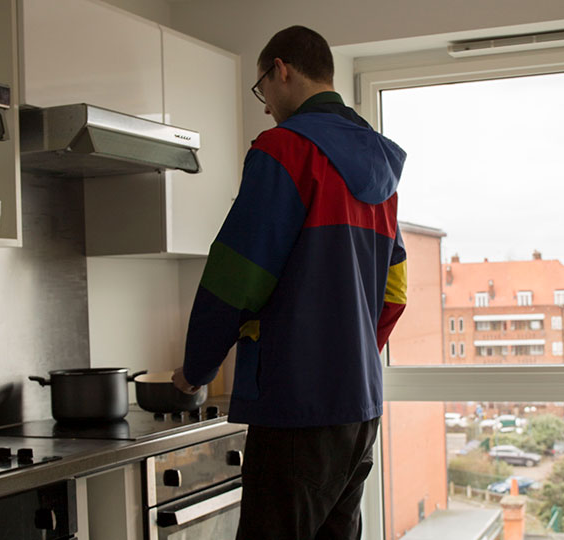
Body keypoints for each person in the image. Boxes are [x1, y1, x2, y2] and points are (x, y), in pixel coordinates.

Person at [171, 25, 407, 540]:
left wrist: (195, 370)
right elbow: (395, 292)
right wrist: (353, 354)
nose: (264, 106)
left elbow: (236, 278)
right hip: (358, 412)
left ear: (281, 70)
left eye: (262, 90)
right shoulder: (381, 168)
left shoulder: (284, 150)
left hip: (297, 410)